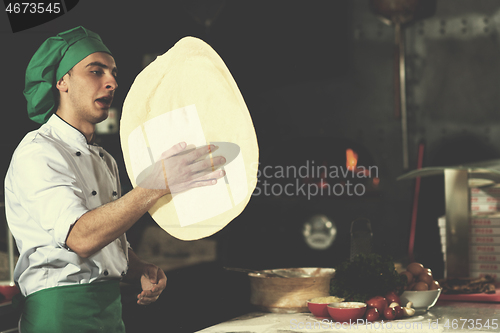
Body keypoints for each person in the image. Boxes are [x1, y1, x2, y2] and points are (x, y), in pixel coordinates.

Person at [4, 26, 226, 332]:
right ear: (61, 81)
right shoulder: (38, 153)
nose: (112, 82)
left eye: (113, 73)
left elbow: (107, 241)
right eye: (95, 71)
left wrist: (138, 268)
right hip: (59, 314)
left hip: (110, 312)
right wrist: (155, 185)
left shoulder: (105, 159)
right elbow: (81, 237)